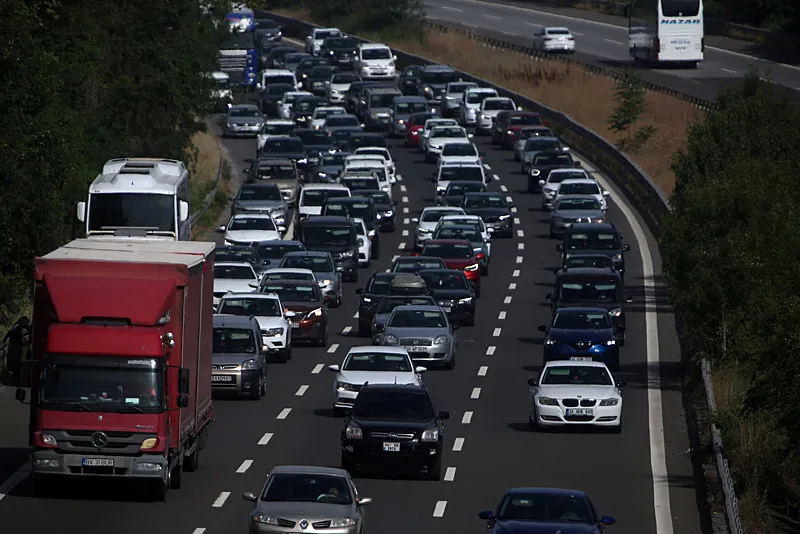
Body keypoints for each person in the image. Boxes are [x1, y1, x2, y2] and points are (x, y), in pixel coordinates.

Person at [3, 316, 29, 385]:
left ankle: (16, 378)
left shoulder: (16, 327)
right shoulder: (21, 328)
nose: (27, 323)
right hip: (17, 347)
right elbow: (25, 338)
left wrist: (5, 340)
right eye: (26, 321)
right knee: (18, 364)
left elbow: (9, 333)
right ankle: (17, 379)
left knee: (15, 365)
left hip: (14, 347)